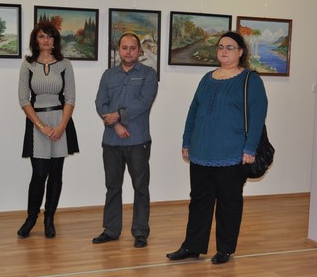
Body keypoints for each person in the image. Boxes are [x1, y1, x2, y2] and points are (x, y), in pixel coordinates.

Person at [166, 31, 268, 264]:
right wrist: (187, 141)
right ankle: (192, 246)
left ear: (241, 52)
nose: (224, 51)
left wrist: (250, 149)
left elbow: (258, 117)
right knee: (199, 202)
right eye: (221, 46)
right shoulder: (207, 78)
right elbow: (194, 110)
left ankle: (225, 249)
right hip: (201, 152)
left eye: (230, 47)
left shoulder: (251, 80)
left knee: (229, 204)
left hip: (232, 155)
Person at [92, 33, 158, 248]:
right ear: (118, 50)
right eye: (124, 48)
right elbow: (100, 103)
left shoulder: (148, 74)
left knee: (141, 188)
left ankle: (140, 232)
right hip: (111, 141)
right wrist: (116, 125)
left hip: (138, 141)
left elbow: (144, 103)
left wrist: (117, 115)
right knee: (112, 187)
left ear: (139, 50)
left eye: (132, 48)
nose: (128, 52)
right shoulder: (108, 75)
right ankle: (111, 230)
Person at [17, 23, 79, 239]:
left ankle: (49, 219)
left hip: (60, 121)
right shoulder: (28, 65)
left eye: (50, 36)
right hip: (37, 123)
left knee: (55, 175)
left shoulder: (65, 64)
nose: (46, 40)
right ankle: (31, 218)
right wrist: (41, 126)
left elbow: (70, 98)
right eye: (42, 36)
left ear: (55, 40)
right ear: (35, 40)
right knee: (39, 174)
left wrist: (61, 127)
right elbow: (23, 99)